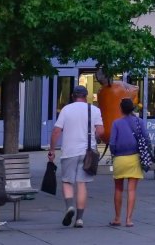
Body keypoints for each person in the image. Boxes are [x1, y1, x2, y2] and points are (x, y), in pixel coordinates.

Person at [48, 85, 106, 228]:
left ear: (73, 96)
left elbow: (56, 131)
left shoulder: (66, 110)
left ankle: (69, 206)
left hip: (69, 151)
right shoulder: (94, 110)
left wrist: (52, 150)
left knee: (67, 182)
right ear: (86, 96)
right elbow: (101, 131)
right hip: (87, 152)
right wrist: (95, 137)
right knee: (82, 184)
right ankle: (79, 219)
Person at [108, 98, 145, 228]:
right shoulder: (140, 122)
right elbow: (145, 139)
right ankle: (129, 219)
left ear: (120, 109)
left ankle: (117, 218)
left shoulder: (116, 123)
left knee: (118, 188)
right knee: (132, 190)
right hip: (134, 158)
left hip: (119, 158)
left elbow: (112, 143)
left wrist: (115, 154)